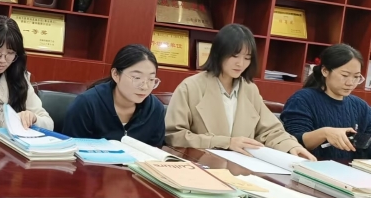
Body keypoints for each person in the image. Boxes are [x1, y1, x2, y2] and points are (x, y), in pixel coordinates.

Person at [165, 23, 315, 160]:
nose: (240, 63)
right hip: (200, 163)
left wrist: (292, 146)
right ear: (219, 53)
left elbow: (270, 130)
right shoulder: (191, 87)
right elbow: (174, 135)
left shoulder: (249, 89)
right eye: (234, 56)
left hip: (242, 167)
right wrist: (226, 142)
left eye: (247, 58)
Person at [281, 44, 371, 161]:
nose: (350, 83)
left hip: (349, 170)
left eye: (356, 77)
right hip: (310, 166)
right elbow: (292, 141)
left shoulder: (360, 106)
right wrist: (324, 133)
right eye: (344, 75)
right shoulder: (302, 100)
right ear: (325, 71)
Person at [64, 44, 165, 146]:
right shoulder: (86, 104)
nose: (145, 87)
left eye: (151, 79)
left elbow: (155, 151)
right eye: (137, 78)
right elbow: (71, 149)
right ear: (115, 74)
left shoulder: (155, 109)